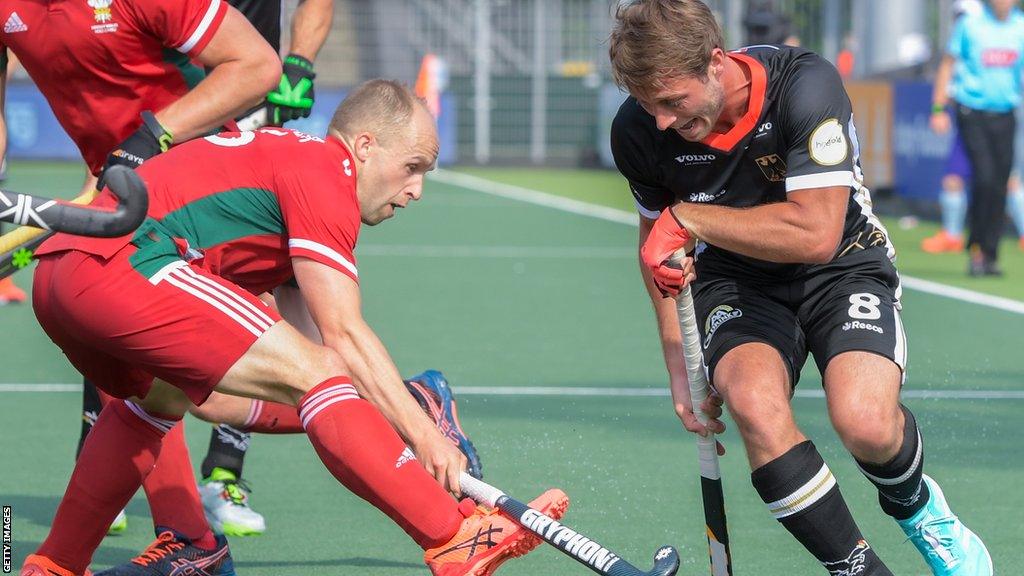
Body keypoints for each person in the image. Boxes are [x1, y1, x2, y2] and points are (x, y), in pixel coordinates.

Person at [22, 79, 567, 576]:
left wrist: (393, 418)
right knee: (318, 374)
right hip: (125, 262)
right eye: (414, 167)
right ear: (365, 145)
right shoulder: (326, 172)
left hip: (63, 275)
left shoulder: (289, 167)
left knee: (155, 405)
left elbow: (322, 361)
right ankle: (452, 538)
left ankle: (55, 565)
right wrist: (424, 436)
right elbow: (342, 342)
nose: (417, 190)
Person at [608, 2, 991, 575]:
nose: (660, 121)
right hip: (736, 282)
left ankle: (918, 510)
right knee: (756, 409)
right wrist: (677, 360)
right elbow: (655, 245)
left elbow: (814, 233)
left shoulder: (804, 87)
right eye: (647, 105)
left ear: (716, 63)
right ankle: (860, 570)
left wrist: (691, 218)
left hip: (841, 265)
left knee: (865, 423)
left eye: (672, 101)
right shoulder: (638, 132)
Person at [922, 0, 1024, 256]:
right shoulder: (970, 25)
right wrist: (938, 108)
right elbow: (948, 65)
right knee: (985, 177)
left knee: (1001, 183)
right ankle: (976, 243)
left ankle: (990, 251)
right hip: (972, 111)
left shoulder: (1020, 27)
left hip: (1006, 112)